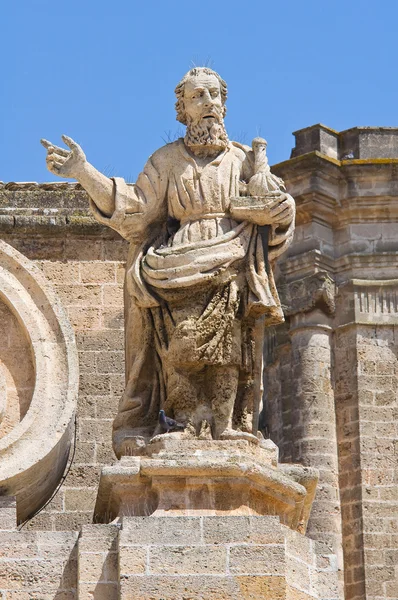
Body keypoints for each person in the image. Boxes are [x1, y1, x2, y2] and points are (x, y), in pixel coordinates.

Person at [41, 67, 295, 457]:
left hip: (232, 258)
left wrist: (282, 210)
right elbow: (134, 209)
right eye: (198, 97)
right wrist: (83, 172)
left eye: (214, 95)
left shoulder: (245, 160)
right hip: (176, 263)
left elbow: (276, 209)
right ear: (183, 110)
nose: (208, 103)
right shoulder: (166, 160)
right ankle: (185, 423)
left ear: (224, 103)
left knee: (228, 348)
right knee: (182, 345)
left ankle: (226, 426)